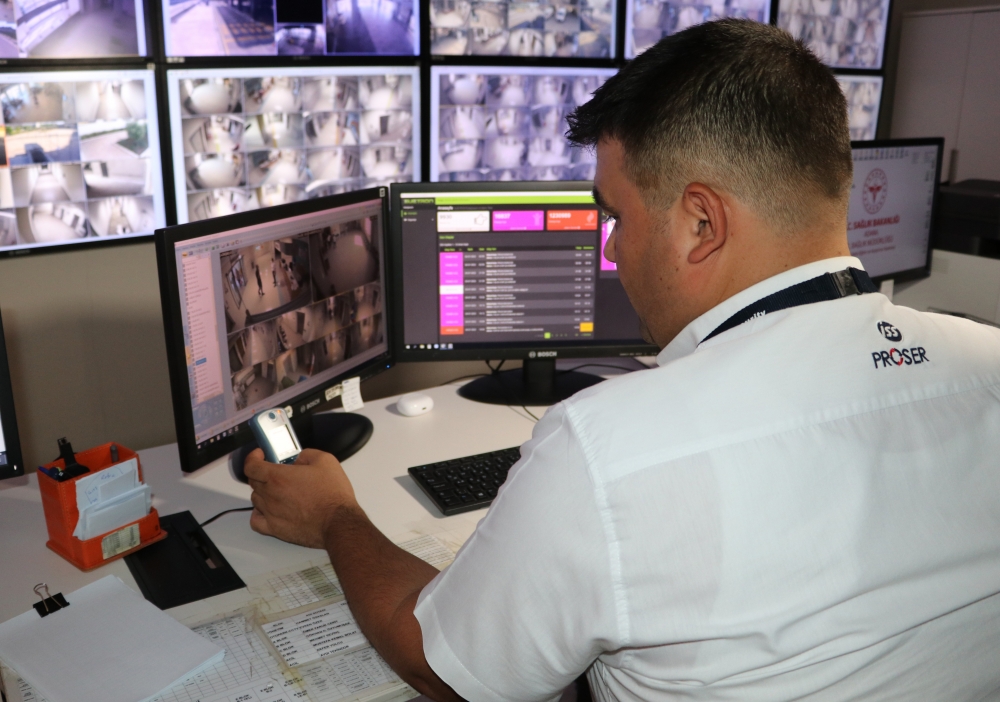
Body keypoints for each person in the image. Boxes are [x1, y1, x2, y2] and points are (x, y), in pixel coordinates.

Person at [244, 19, 1000, 702]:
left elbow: (436, 664)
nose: (610, 249)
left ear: (701, 222)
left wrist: (337, 516)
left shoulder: (611, 446)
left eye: (615, 215)